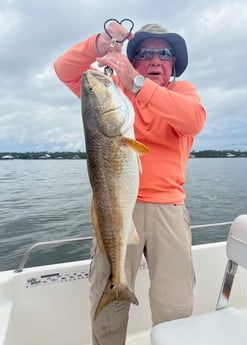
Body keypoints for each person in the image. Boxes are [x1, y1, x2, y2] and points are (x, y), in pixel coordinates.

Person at [54, 21, 206, 345]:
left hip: (169, 210)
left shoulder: (182, 93)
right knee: (107, 309)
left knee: (176, 304)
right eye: (146, 53)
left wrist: (137, 84)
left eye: (164, 54)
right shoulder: (115, 95)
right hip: (117, 207)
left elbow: (194, 119)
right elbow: (65, 70)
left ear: (173, 63)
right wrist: (100, 43)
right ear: (133, 59)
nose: (155, 60)